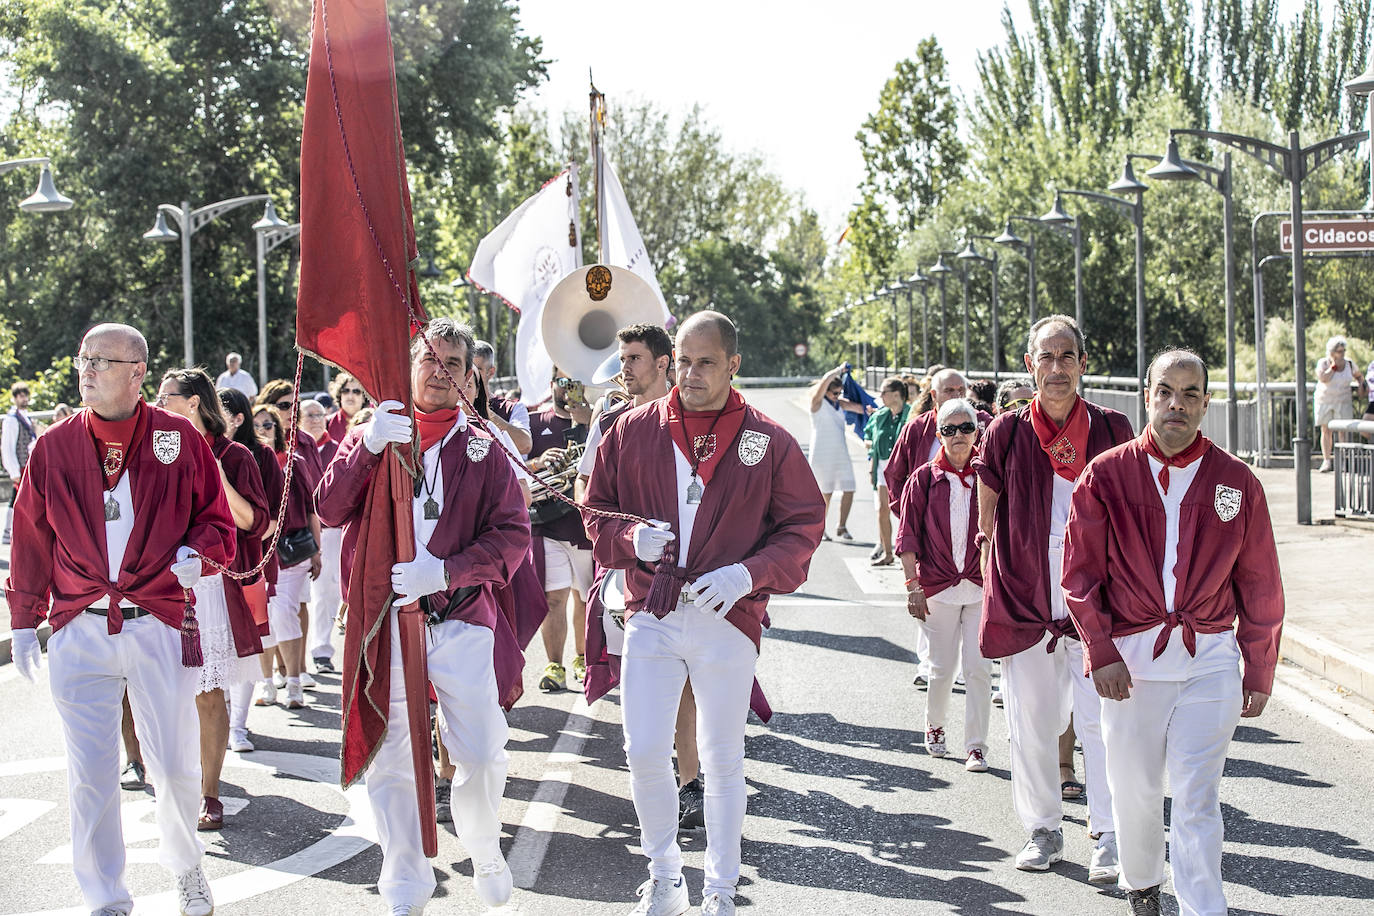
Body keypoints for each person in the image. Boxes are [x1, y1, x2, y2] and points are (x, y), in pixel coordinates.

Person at [585, 310, 825, 916]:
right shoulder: (632, 429)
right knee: (642, 750)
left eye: (706, 362)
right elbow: (596, 512)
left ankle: (721, 887)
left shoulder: (767, 438)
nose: (691, 374)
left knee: (722, 756)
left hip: (727, 615)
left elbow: (803, 524)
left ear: (733, 364)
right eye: (684, 361)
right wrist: (628, 537)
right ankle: (665, 874)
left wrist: (749, 573)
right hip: (653, 609)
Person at [5, 323, 234, 916]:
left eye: (101, 361)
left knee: (175, 768)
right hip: (80, 627)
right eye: (83, 358)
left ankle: (186, 868)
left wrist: (197, 555)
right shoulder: (52, 446)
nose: (86, 369)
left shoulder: (177, 438)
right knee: (90, 774)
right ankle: (105, 896)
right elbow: (29, 536)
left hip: (156, 620)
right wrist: (24, 620)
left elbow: (218, 522)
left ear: (137, 373)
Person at [316, 317, 528, 914]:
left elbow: (512, 536)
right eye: (430, 360)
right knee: (391, 753)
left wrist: (447, 571)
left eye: (454, 365)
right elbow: (329, 508)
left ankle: (484, 844)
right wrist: (366, 446)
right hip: (387, 619)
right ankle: (404, 879)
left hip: (458, 615)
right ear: (409, 365)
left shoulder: (485, 446)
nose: (440, 373)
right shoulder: (374, 429)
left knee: (482, 751)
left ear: (471, 377)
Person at [1063, 348, 1285, 916]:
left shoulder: (1237, 482)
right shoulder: (1106, 474)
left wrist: (1258, 668)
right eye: (1166, 391)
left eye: (1190, 394)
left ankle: (1203, 907)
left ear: (1206, 404)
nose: (1176, 405)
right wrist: (1101, 652)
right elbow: (1080, 576)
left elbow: (1260, 582)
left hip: (1208, 657)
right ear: (1147, 397)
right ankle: (1141, 881)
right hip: (1129, 664)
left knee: (1195, 793)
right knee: (1133, 790)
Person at [973, 315, 1134, 880]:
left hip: (1099, 603)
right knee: (1032, 723)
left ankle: (1109, 833)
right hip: (1030, 602)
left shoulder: (1114, 429)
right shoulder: (1008, 433)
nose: (1058, 367)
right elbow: (986, 511)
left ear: (1083, 365)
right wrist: (1001, 575)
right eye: (1048, 356)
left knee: (1104, 724)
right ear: (1029, 366)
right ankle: (1043, 828)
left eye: (1068, 356)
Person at [575, 322, 709, 830]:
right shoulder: (609, 419)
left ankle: (691, 779)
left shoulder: (695, 411)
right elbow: (589, 488)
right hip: (631, 568)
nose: (623, 368)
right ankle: (658, 771)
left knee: (690, 681)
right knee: (645, 676)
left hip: (694, 570)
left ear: (662, 361)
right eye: (622, 358)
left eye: (633, 358)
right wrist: (627, 533)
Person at [156, 368, 268, 830]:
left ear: (194, 403)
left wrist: (216, 472)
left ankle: (210, 793)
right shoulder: (159, 449)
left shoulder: (235, 454)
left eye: (167, 396)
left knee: (207, 693)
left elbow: (252, 523)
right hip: (160, 585)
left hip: (211, 586)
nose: (159, 403)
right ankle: (171, 782)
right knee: (162, 693)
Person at [897, 397, 992, 773]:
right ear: (939, 436)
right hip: (937, 588)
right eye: (949, 430)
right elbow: (907, 537)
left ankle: (977, 746)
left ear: (976, 433)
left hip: (981, 588)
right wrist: (912, 585)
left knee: (979, 669)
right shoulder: (922, 478)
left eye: (965, 428)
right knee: (941, 668)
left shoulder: (988, 476)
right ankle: (935, 726)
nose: (957, 436)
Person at [885, 368, 990, 689]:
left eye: (961, 389)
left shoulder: (980, 425)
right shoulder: (917, 429)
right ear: (934, 395)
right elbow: (894, 474)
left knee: (971, 608)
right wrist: (911, 517)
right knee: (931, 599)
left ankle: (961, 668)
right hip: (929, 532)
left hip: (974, 538)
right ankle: (929, 665)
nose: (956, 395)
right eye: (948, 391)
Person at [219, 385, 284, 753]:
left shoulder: (260, 457)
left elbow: (272, 517)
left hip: (249, 566)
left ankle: (238, 725)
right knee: (212, 647)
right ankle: (221, 717)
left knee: (247, 644)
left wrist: (247, 548)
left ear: (237, 418)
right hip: (209, 572)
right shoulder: (199, 450)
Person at [528, 365, 594, 691]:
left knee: (584, 598)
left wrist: (586, 423)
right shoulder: (533, 422)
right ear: (552, 381)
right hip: (547, 525)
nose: (569, 388)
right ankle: (555, 665)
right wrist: (537, 464)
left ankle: (582, 658)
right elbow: (514, 467)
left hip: (584, 529)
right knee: (553, 599)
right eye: (563, 380)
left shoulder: (597, 421)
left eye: (575, 381)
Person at [251, 403, 321, 708]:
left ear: (278, 429)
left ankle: (294, 682)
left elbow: (310, 508)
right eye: (257, 425)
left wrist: (317, 551)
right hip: (256, 553)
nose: (264, 430)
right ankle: (267, 683)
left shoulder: (294, 462)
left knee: (284, 613)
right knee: (261, 619)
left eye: (268, 425)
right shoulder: (247, 462)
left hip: (292, 550)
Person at [301, 397, 343, 674]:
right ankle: (309, 654)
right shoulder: (294, 449)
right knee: (309, 594)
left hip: (333, 530)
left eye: (319, 414)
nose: (316, 419)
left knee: (331, 592)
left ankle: (322, 649)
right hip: (302, 531)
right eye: (309, 414)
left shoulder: (338, 450)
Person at [807, 365, 866, 542]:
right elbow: (825, 381)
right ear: (825, 391)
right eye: (834, 393)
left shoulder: (839, 404)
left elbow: (860, 408)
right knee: (825, 493)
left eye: (839, 392)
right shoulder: (816, 404)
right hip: (822, 454)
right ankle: (820, 529)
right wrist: (838, 370)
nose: (837, 396)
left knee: (849, 487)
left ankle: (841, 526)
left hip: (840, 451)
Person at [863, 377, 911, 566]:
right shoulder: (880, 416)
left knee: (905, 513)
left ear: (896, 394)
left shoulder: (911, 414)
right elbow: (869, 437)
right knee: (882, 509)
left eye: (883, 392)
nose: (880, 396)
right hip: (882, 467)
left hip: (903, 469)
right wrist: (871, 463)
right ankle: (888, 552)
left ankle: (908, 555)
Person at [471, 339, 533, 455]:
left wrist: (485, 411)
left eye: (477, 370)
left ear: (491, 372)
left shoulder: (512, 408)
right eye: (467, 369)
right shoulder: (452, 405)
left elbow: (524, 445)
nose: (470, 375)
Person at [1314, 336, 1365, 472]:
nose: (1342, 354)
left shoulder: (1349, 364)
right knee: (1326, 430)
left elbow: (1359, 375)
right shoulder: (1323, 363)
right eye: (1339, 351)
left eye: (1343, 351)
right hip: (1325, 401)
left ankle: (1343, 461)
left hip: (1343, 401)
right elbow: (1323, 378)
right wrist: (1333, 366)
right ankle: (1327, 460)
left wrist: (1361, 384)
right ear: (1332, 352)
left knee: (1344, 432)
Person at [2, 381, 35, 545]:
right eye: (21, 396)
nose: (24, 399)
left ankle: (13, 532)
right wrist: (14, 471)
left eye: (25, 395)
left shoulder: (26, 417)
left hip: (27, 464)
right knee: (17, 498)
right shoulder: (12, 420)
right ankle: (8, 532)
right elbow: (7, 447)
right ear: (15, 398)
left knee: (20, 498)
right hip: (20, 466)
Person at [327, 371, 370, 443]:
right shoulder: (326, 423)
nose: (350, 396)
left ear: (364, 398)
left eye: (356, 391)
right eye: (345, 391)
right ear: (340, 395)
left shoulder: (373, 422)